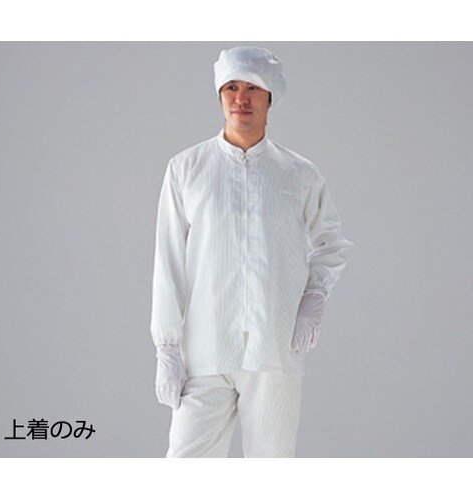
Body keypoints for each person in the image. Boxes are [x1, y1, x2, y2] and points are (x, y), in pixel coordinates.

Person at [150, 46, 354, 457]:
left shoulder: (298, 174)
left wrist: (314, 297)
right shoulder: (186, 169)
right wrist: (167, 346)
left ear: (269, 97)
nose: (240, 98)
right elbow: (168, 260)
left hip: (273, 349)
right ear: (219, 95)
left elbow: (330, 242)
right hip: (204, 351)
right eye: (231, 88)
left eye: (252, 88)